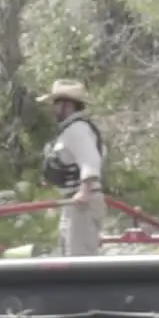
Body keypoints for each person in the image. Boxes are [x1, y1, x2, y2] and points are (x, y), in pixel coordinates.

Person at [37, 79, 106, 257]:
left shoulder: (78, 129)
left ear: (67, 105)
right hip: (72, 203)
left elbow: (90, 161)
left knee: (80, 259)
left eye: (55, 103)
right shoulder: (69, 131)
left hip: (82, 204)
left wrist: (84, 191)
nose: (52, 108)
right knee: (68, 255)